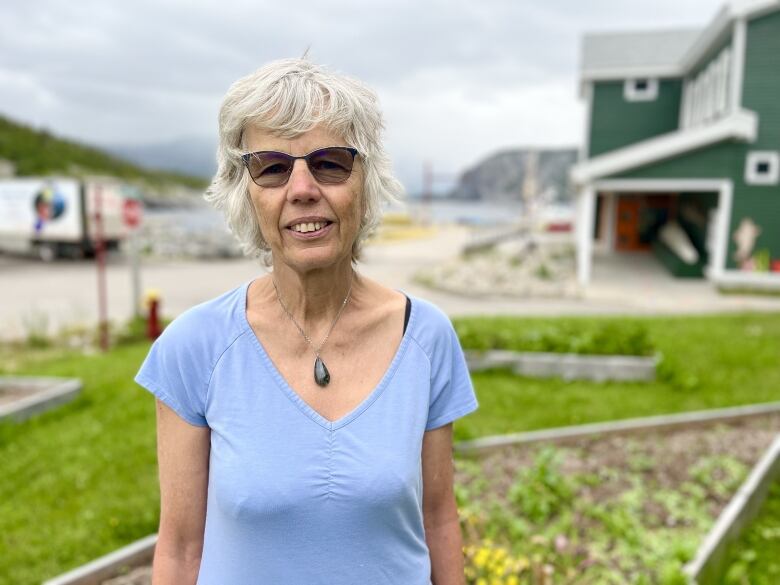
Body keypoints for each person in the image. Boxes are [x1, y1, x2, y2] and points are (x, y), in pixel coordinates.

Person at [135, 58, 479, 585]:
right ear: (244, 191)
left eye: (331, 162)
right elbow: (181, 549)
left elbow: (438, 518)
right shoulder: (195, 347)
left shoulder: (426, 337)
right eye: (272, 167)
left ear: (366, 183)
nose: (301, 188)